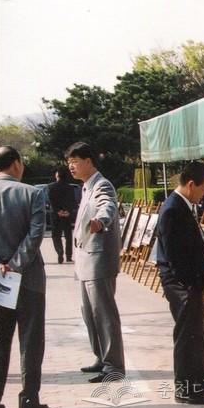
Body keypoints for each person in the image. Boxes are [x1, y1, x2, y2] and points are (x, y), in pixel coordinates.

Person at [155, 161, 204, 405]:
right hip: (181, 284)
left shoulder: (183, 205)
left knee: (196, 334)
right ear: (192, 184)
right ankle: (184, 388)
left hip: (190, 282)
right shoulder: (173, 209)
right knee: (187, 336)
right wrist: (190, 283)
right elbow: (174, 254)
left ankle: (203, 380)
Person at [0, 146, 49, 408]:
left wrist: (0, 265)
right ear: (16, 164)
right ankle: (28, 399)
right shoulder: (33, 193)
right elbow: (36, 235)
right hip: (29, 279)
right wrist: (15, 264)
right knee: (31, 340)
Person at [67, 142, 125, 383]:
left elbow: (107, 205)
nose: (71, 167)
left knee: (103, 314)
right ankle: (101, 357)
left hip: (98, 260)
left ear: (89, 161)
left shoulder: (102, 185)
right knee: (89, 314)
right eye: (69, 162)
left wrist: (101, 221)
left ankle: (114, 366)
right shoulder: (86, 187)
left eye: (75, 161)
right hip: (86, 261)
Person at [47, 166, 78, 264]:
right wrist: (68, 211)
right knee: (68, 235)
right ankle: (69, 256)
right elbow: (72, 201)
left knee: (56, 235)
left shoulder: (51, 187)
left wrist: (58, 211)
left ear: (57, 176)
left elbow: (51, 200)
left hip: (55, 214)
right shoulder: (70, 187)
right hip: (67, 214)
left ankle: (60, 252)